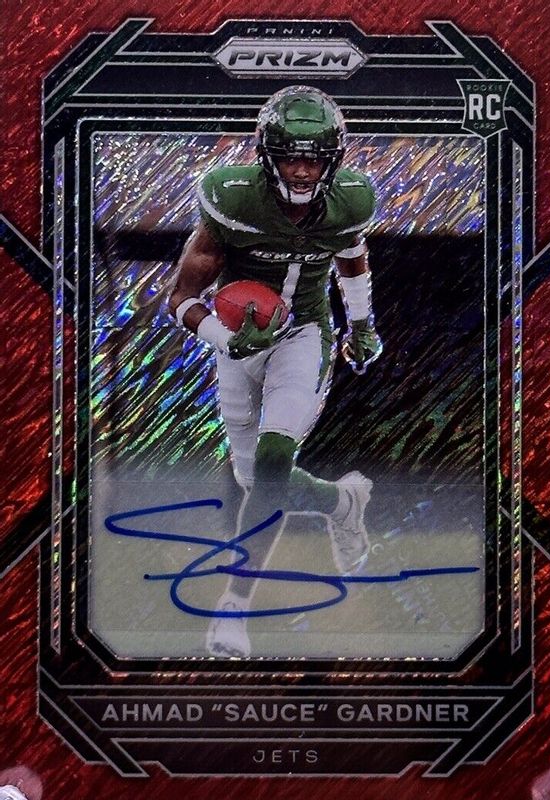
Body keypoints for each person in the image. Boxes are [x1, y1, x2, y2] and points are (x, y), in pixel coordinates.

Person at [168, 86, 382, 657]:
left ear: (333, 160)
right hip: (239, 339)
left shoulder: (350, 202)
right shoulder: (233, 198)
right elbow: (181, 298)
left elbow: (351, 255)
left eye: (314, 159)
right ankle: (342, 503)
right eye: (291, 157)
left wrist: (361, 323)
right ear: (267, 156)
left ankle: (233, 608)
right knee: (257, 482)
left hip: (305, 334)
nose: (303, 170)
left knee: (271, 463)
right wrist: (226, 339)